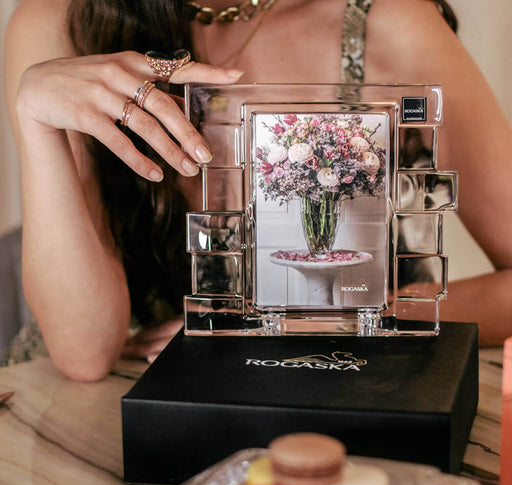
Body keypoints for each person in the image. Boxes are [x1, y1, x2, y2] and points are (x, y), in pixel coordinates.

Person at [3, 0, 512, 381]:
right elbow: (86, 354)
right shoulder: (60, 21)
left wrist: (320, 323)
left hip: (345, 388)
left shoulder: (387, 19)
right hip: (117, 411)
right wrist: (35, 119)